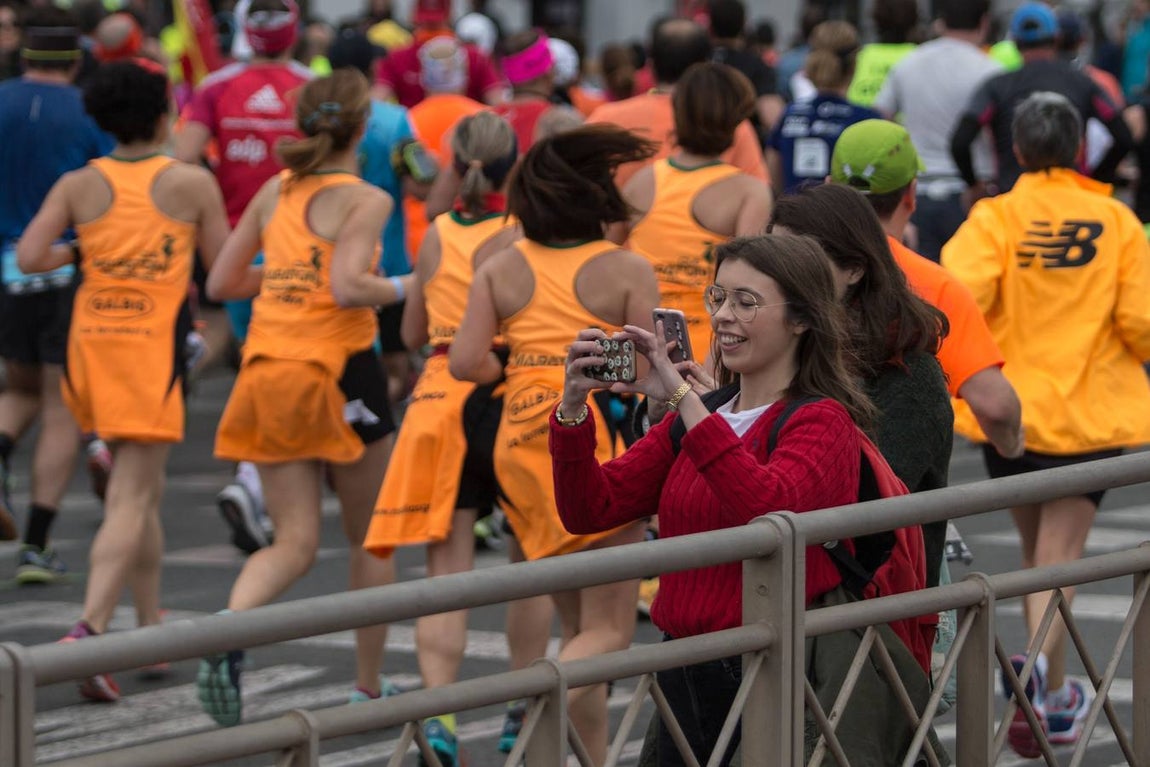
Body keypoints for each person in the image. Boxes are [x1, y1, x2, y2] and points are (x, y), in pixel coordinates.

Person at [550, 234, 927, 767]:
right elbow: (591, 510)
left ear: (801, 319)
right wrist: (571, 408)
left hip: (774, 668)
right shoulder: (707, 412)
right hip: (682, 664)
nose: (724, 317)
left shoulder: (821, 420)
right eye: (718, 297)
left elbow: (766, 507)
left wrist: (684, 401)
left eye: (746, 302)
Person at [943, 91, 1150, 757]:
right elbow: (1141, 320)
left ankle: (1053, 693)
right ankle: (1037, 683)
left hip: (1011, 410)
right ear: (1080, 149)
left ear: (1019, 150)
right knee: (1058, 560)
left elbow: (959, 295)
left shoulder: (995, 217)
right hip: (1091, 411)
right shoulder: (1115, 220)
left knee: (1039, 560)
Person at [200, 69, 408, 727]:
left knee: (291, 541)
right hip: (340, 367)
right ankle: (368, 687)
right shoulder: (365, 197)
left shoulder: (275, 188)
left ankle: (227, 630)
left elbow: (224, 280)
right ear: (363, 129)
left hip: (267, 367)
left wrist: (292, 270)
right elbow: (350, 287)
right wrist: (408, 283)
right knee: (370, 539)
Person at [448, 125, 661, 765]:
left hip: (519, 439)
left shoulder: (500, 266)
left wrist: (516, 371)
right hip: (594, 436)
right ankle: (538, 699)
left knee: (575, 622)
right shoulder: (626, 268)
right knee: (607, 630)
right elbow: (648, 374)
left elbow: (464, 361)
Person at [17, 59, 228, 701]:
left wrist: (82, 250)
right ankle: (92, 632)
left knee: (143, 488)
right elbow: (220, 275)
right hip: (149, 350)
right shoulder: (191, 183)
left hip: (90, 346)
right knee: (133, 495)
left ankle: (149, 624)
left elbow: (29, 258)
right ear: (165, 117)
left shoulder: (80, 183)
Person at [364, 112, 522, 767]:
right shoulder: (521, 233)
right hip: (511, 395)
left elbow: (410, 333)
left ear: (455, 165)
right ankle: (521, 707)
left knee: (444, 570)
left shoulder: (435, 234)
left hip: (440, 397)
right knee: (530, 561)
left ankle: (443, 718)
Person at [175, 0, 313, 555]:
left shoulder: (216, 87)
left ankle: (259, 480)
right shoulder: (310, 88)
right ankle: (258, 481)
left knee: (259, 364)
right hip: (302, 251)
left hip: (235, 250)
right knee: (292, 369)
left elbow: (181, 160)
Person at [768, 184, 953, 579]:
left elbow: (860, 509)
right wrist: (679, 405)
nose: (777, 277)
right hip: (769, 591)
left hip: (867, 608)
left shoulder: (908, 375)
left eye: (799, 260)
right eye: (769, 259)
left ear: (854, 269)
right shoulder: (779, 346)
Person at [828, 119, 1024, 461]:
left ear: (829, 186)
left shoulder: (785, 260)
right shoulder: (931, 284)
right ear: (911, 194)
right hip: (888, 486)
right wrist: (1011, 446)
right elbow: (995, 405)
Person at [0, 7, 114, 581]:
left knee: (16, 386)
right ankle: (37, 546)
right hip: (67, 268)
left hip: (6, 268)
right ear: (74, 62)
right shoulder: (87, 111)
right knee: (60, 406)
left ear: (23, 55)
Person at [623, 61, 771, 361]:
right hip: (710, 354)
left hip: (644, 349)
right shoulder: (749, 192)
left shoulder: (640, 183)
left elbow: (603, 259)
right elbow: (749, 287)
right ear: (735, 122)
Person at [951, 1, 1132, 200]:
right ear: (1056, 38)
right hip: (1073, 201)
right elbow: (1123, 136)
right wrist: (1096, 179)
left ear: (1016, 42)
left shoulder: (998, 86)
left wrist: (975, 185)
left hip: (1014, 203)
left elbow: (960, 141)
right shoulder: (1083, 83)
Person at [873, 0, 1000, 263]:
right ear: (984, 23)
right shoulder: (990, 70)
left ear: (940, 22)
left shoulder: (908, 64)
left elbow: (880, 119)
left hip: (915, 194)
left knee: (920, 288)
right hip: (972, 193)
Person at [587, 18, 766, 189]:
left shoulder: (605, 119)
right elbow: (759, 191)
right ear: (706, 63)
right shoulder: (728, 124)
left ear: (651, 63)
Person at [765, 20, 878, 195]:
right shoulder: (867, 121)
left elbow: (775, 179)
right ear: (854, 64)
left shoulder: (789, 115)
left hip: (792, 218)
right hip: (845, 220)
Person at [371, 0, 505, 108]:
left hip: (462, 134)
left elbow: (499, 103)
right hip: (416, 134)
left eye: (435, 25)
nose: (432, 35)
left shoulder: (475, 57)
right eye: (428, 25)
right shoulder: (397, 58)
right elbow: (376, 100)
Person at [707, 0, 783, 140]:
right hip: (742, 148)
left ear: (710, 25)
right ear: (743, 25)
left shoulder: (699, 62)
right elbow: (772, 117)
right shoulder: (756, 64)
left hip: (699, 148)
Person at [845, 0, 918, 108]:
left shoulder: (858, 56)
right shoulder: (921, 57)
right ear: (915, 19)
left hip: (862, 123)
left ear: (875, 19)